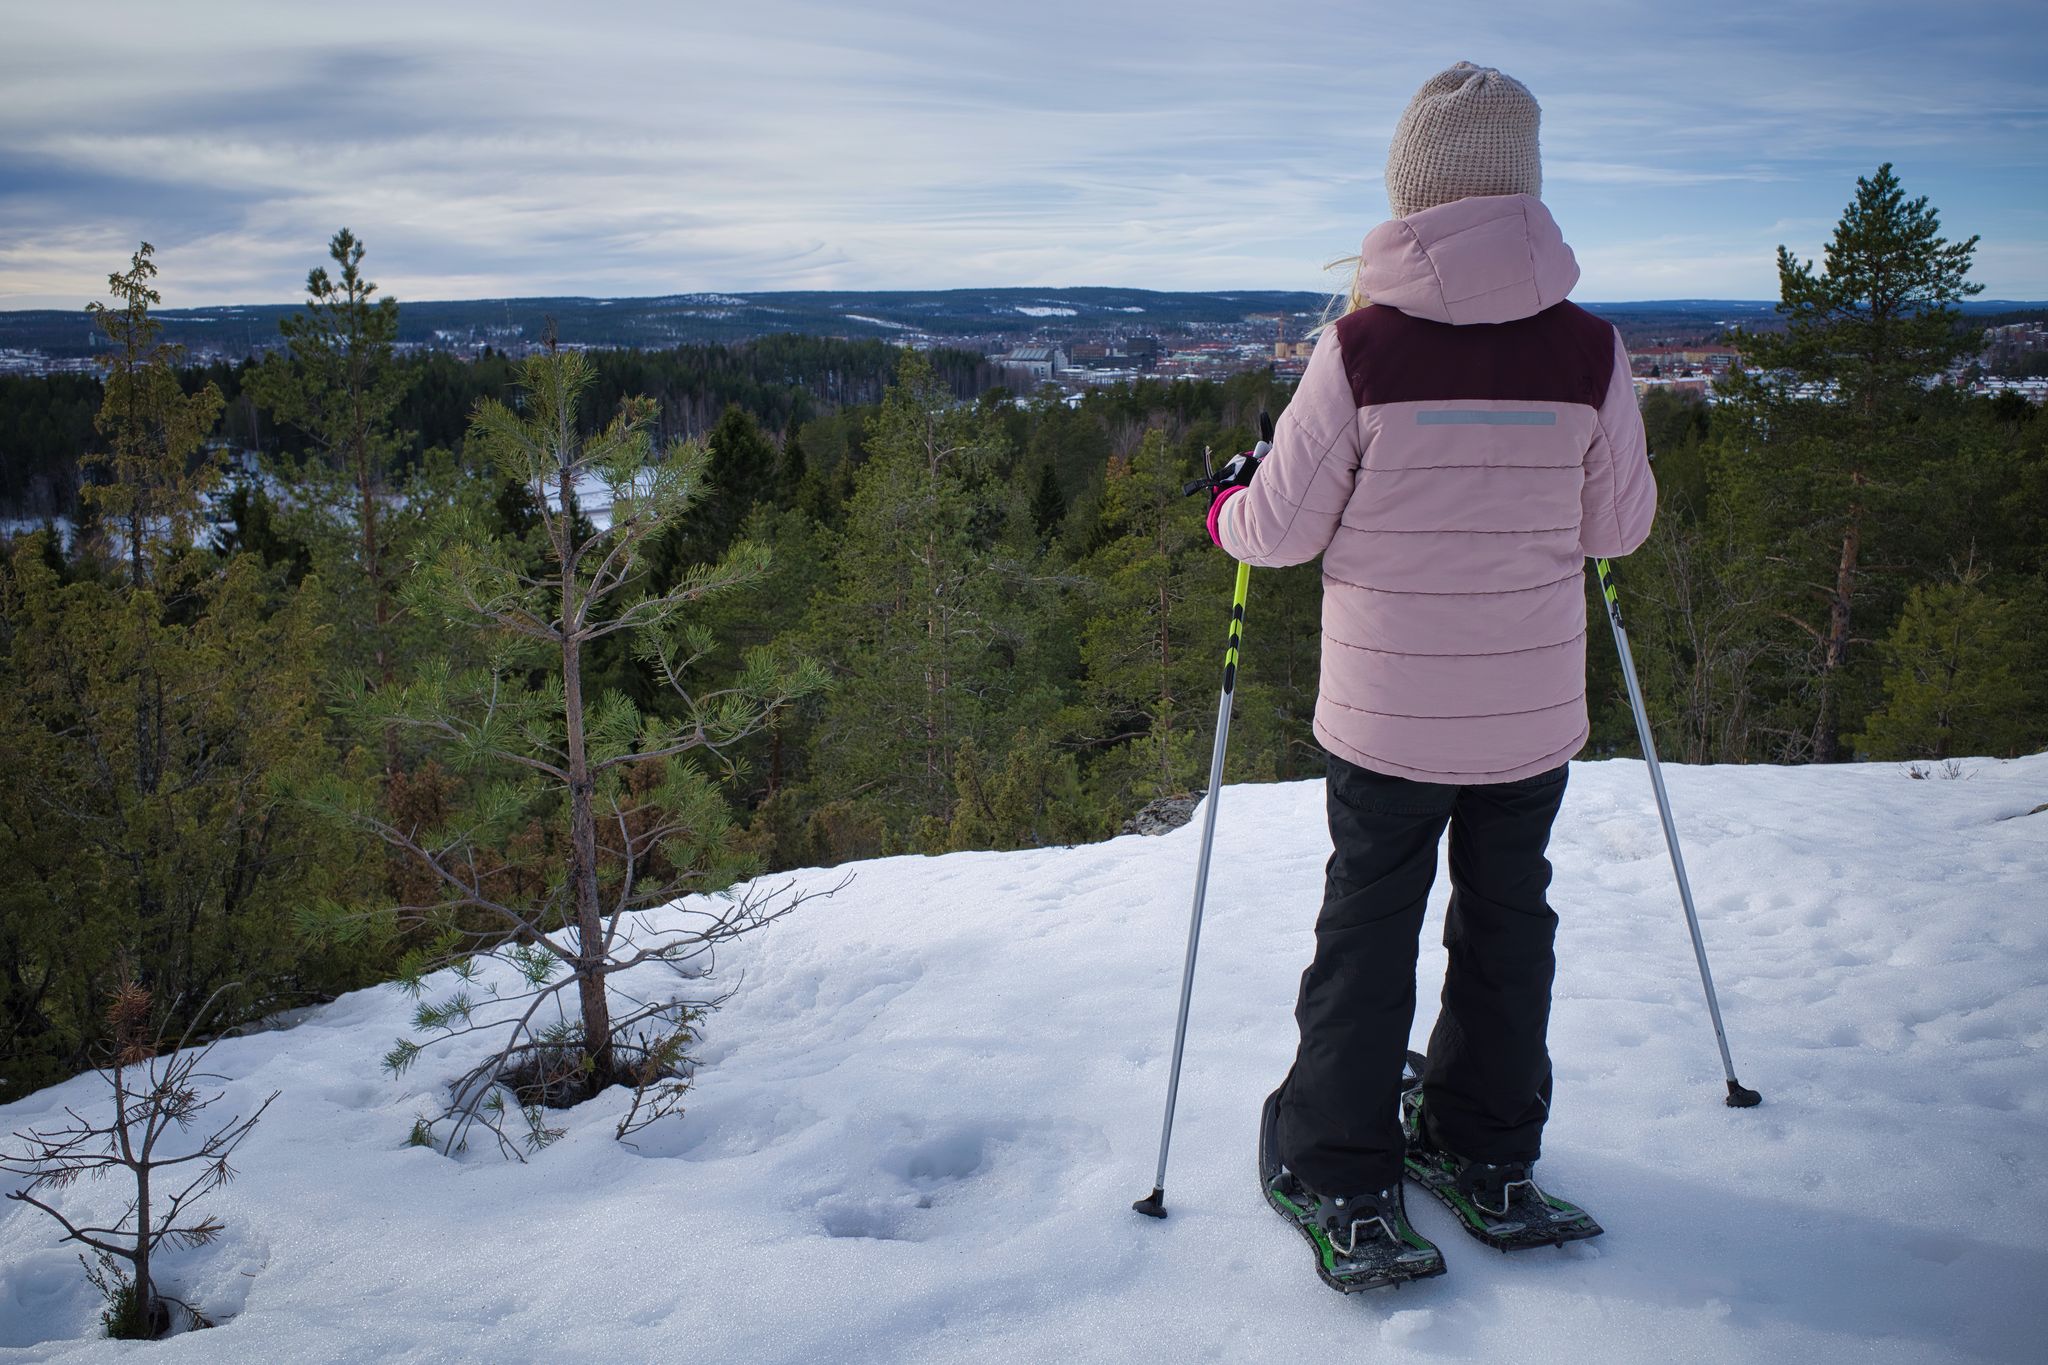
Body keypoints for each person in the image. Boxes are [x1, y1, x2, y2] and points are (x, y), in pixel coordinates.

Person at [1207, 61, 1655, 1286]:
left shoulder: (1359, 348)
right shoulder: (1587, 349)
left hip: (1386, 716)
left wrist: (1223, 508)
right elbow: (1617, 529)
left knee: (1369, 923)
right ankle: (1487, 1150)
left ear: (1411, 193)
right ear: (1524, 191)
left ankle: (1338, 1170)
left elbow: (1280, 533)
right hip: (1527, 715)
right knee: (1508, 920)